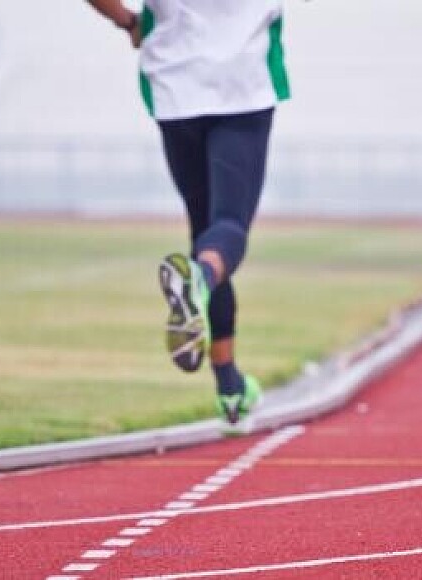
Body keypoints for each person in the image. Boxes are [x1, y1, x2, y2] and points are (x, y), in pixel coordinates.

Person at [86, 0, 291, 424]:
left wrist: (128, 22)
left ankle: (229, 387)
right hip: (243, 83)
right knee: (227, 229)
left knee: (205, 232)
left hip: (174, 86)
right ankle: (198, 281)